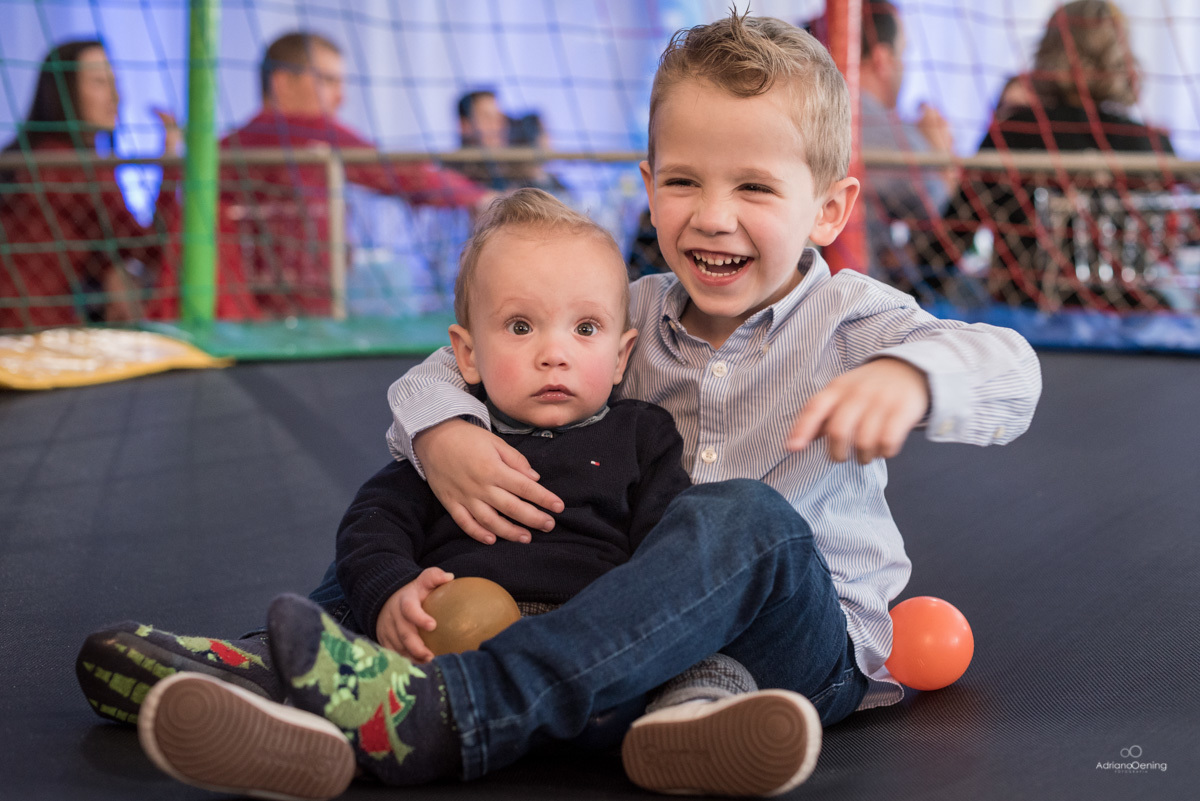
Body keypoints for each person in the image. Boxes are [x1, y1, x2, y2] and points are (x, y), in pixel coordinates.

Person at [94, 12, 1041, 799]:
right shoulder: (616, 313)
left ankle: (457, 713)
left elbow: (1010, 372)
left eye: (754, 186)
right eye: (684, 181)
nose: (713, 214)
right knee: (419, 495)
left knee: (743, 516)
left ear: (828, 212)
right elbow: (445, 371)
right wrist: (447, 431)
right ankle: (273, 670)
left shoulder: (850, 318)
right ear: (647, 186)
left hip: (796, 635)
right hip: (623, 624)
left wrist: (913, 377)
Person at [79, 189, 756, 789]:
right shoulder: (458, 434)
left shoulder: (643, 436)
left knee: (693, 659)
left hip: (581, 645)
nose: (556, 352)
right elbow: (372, 525)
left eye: (585, 329)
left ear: (620, 355)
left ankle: (688, 717)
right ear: (466, 354)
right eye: (521, 327)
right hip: (432, 643)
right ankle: (272, 689)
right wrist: (390, 596)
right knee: (348, 614)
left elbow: (668, 546)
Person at [215, 32, 494, 319]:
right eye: (328, 80)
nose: (341, 97)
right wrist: (480, 198)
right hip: (300, 319)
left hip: (232, 313)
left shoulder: (220, 149)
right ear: (282, 83)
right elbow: (398, 173)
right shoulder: (309, 131)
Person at [933, 0, 1175, 309]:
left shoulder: (1014, 133)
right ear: (1120, 56)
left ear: (1049, 51)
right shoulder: (1153, 146)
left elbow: (949, 242)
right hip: (1136, 318)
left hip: (1027, 321)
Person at [0, 40, 181, 330]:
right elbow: (149, 247)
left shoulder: (39, 154)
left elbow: (95, 242)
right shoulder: (72, 168)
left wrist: (113, 271)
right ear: (65, 92)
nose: (116, 96)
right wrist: (170, 159)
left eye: (114, 82)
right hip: (28, 330)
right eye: (99, 82)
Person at [858, 1, 957, 297]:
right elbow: (946, 212)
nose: (904, 66)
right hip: (862, 300)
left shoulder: (812, 105)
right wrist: (941, 155)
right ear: (882, 60)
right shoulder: (880, 125)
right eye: (903, 54)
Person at [454, 88, 566, 192]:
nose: (497, 125)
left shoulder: (522, 172)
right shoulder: (453, 171)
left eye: (499, 118)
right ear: (464, 125)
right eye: (487, 118)